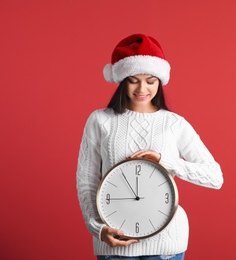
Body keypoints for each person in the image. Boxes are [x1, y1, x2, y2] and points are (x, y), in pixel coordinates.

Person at [76, 33, 224, 260]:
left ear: (160, 82)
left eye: (150, 81)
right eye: (134, 80)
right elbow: (87, 180)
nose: (142, 88)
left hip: (166, 245)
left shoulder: (174, 123)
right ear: (123, 81)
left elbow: (215, 177)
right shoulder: (100, 120)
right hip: (114, 243)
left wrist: (165, 161)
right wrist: (97, 228)